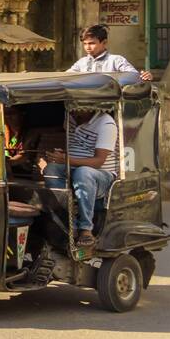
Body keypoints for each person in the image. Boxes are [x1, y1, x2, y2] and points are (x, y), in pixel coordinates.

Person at [41, 106, 118, 248]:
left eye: (77, 108)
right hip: (74, 166)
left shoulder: (106, 124)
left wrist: (65, 159)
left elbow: (98, 161)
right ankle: (67, 222)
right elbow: (73, 147)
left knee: (83, 172)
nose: (73, 111)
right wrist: (60, 155)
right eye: (71, 108)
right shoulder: (71, 117)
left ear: (90, 107)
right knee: (50, 168)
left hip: (101, 174)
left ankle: (86, 229)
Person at [68, 25, 152, 81]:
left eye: (92, 43)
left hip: (109, 103)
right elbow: (66, 76)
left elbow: (133, 75)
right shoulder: (82, 62)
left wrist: (144, 76)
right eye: (85, 44)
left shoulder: (116, 60)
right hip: (84, 103)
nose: (87, 47)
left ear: (104, 42)